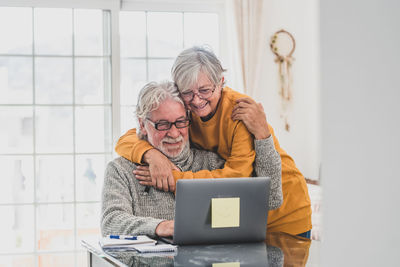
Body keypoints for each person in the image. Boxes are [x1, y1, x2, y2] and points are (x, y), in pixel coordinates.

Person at [115, 46, 312, 238]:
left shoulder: (240, 112)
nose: (197, 100)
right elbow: (128, 138)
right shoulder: (185, 113)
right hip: (245, 220)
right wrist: (152, 155)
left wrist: (176, 181)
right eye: (188, 93)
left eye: (205, 90)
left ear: (221, 83)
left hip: (285, 213)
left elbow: (237, 178)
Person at [101, 81, 282, 238]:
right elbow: (111, 222)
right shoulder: (120, 170)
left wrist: (262, 135)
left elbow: (265, 202)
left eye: (180, 122)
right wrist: (161, 226)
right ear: (142, 124)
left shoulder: (211, 163)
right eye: (162, 125)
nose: (173, 133)